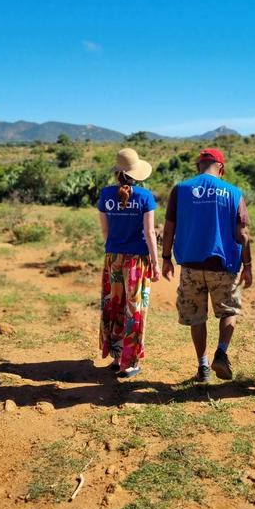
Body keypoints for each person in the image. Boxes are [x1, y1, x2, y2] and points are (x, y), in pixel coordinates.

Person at [161, 147, 252, 383]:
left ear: (198, 167)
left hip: (190, 265)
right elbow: (242, 233)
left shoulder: (181, 189)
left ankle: (202, 367)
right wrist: (248, 264)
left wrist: (166, 258)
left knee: (196, 317)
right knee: (229, 311)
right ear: (221, 168)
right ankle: (221, 352)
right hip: (223, 265)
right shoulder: (234, 192)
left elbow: (169, 227)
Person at [97, 148, 160, 379]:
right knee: (135, 309)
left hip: (113, 257)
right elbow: (150, 232)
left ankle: (116, 357)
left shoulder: (105, 195)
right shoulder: (145, 197)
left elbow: (105, 230)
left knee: (113, 305)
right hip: (137, 261)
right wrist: (155, 263)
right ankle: (130, 362)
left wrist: (115, 247)